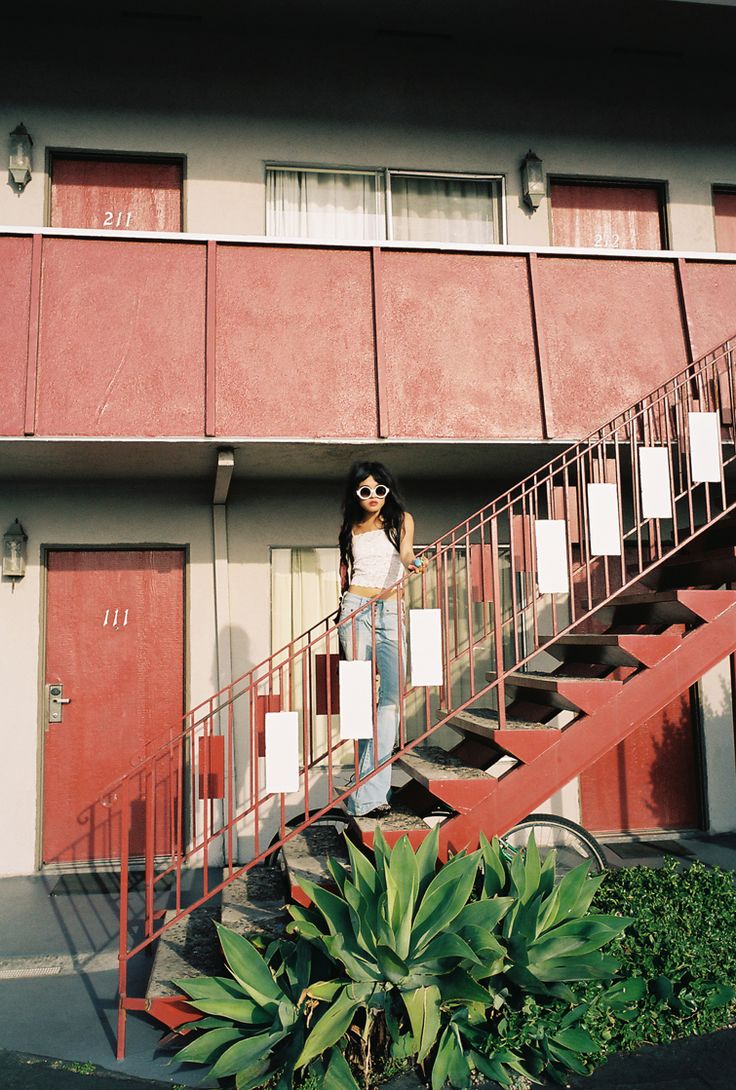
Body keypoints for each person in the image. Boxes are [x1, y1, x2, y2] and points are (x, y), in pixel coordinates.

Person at [337, 461, 421, 818]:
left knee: (389, 701)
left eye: (379, 489)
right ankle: (370, 796)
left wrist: (414, 562)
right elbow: (346, 573)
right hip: (355, 610)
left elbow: (404, 555)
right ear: (357, 495)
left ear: (388, 491)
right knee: (360, 703)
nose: (373, 497)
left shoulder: (402, 520)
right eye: (365, 490)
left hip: (389, 611)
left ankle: (366, 792)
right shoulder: (351, 528)